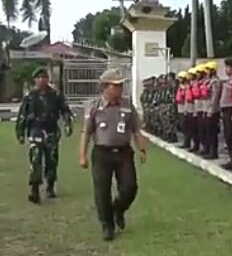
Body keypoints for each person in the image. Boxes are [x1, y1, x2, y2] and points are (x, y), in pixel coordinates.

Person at [79, 68, 146, 241]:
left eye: (120, 85)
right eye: (115, 85)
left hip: (123, 152)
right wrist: (83, 155)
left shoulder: (127, 105)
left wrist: (141, 149)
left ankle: (118, 209)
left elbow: (136, 129)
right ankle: (107, 225)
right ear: (105, 87)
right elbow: (86, 133)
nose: (120, 88)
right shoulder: (95, 107)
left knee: (130, 187)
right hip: (102, 153)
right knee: (102, 191)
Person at [15, 67, 73, 204]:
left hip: (51, 130)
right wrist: (20, 132)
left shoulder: (56, 95)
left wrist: (67, 124)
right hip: (35, 130)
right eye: (39, 77)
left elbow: (65, 111)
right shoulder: (30, 96)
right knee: (35, 160)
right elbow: (22, 115)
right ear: (35, 80)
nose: (42, 80)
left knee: (51, 159)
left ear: (48, 79)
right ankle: (34, 190)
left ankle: (50, 186)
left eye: (44, 77)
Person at [220, 58, 232, 170]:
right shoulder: (229, 80)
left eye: (227, 67)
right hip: (225, 110)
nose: (226, 70)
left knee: (231, 136)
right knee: (228, 136)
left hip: (231, 109)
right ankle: (231, 159)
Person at [204, 61, 222, 159]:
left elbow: (215, 97)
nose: (206, 72)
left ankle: (213, 152)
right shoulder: (210, 81)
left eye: (208, 70)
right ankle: (210, 151)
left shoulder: (216, 82)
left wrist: (212, 109)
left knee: (212, 132)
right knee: (209, 131)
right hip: (208, 109)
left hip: (213, 110)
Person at [176, 71, 191, 148]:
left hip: (185, 109)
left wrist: (186, 110)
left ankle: (187, 142)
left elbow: (187, 99)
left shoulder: (187, 87)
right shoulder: (180, 87)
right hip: (180, 109)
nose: (179, 79)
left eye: (181, 78)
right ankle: (185, 142)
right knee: (182, 126)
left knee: (186, 127)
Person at [187, 68, 200, 152]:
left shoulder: (196, 84)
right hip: (189, 108)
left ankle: (197, 145)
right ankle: (194, 145)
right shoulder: (191, 84)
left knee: (196, 129)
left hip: (195, 108)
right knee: (191, 128)